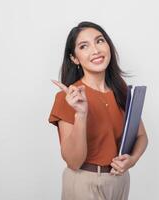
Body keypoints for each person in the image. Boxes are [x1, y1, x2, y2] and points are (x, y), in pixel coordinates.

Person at [48, 21, 148, 200]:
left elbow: (142, 136)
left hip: (120, 181)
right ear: (74, 58)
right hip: (85, 183)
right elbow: (73, 161)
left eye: (99, 41)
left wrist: (132, 160)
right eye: (84, 46)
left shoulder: (121, 89)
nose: (95, 50)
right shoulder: (68, 98)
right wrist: (81, 114)